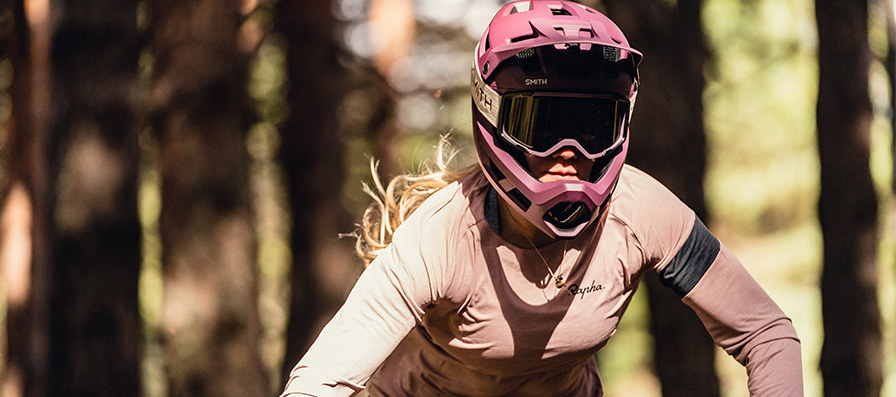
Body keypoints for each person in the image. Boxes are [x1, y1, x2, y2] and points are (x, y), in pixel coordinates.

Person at [281, 1, 803, 395]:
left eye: (593, 126)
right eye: (543, 123)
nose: (569, 152)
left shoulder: (641, 211)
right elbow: (320, 382)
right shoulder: (441, 237)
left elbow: (767, 333)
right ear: (493, 118)